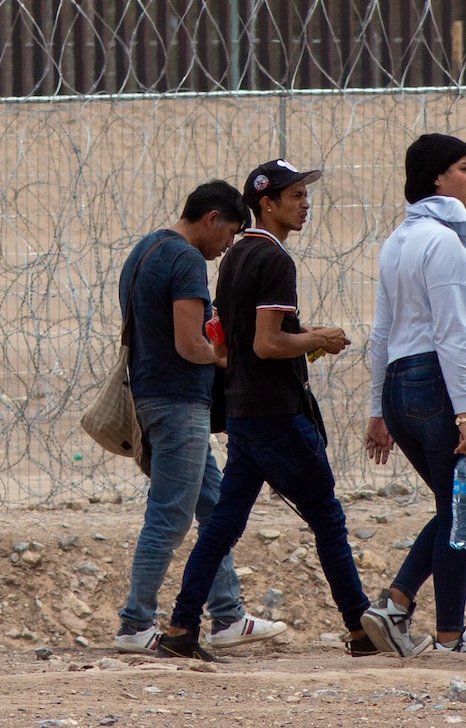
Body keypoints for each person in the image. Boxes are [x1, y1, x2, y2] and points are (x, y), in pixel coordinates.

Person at [155, 160, 387, 662]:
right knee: (326, 518)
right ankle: (360, 626)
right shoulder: (275, 260)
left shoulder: (235, 256)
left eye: (306, 194)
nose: (306, 204)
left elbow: (235, 341)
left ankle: (181, 626)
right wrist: (319, 338)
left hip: (244, 413)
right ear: (268, 203)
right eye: (297, 195)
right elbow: (266, 343)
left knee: (222, 526)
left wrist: (301, 342)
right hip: (278, 417)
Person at [113, 181, 289, 653]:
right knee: (169, 517)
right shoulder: (187, 258)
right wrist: (233, 360)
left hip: (153, 397)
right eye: (229, 233)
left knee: (213, 508)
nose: (228, 246)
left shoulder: (145, 249)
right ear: (212, 218)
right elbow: (190, 344)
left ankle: (227, 614)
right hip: (177, 404)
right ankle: (135, 623)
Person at [360, 134, 466, 656]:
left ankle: (396, 605)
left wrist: (379, 409)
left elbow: (382, 332)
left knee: (455, 504)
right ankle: (449, 636)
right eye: (464, 168)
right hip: (441, 386)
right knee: (463, 506)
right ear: (438, 178)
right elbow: (451, 336)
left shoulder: (398, 240)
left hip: (401, 386)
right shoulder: (441, 243)